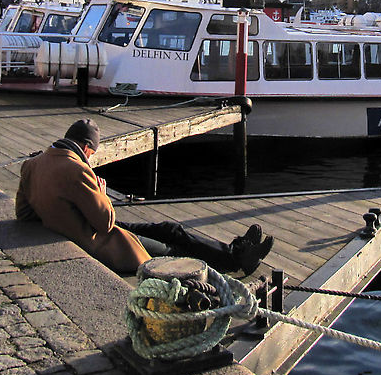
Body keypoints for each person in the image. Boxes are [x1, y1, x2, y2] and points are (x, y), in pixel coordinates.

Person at [15, 118, 273, 275]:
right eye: (92, 152)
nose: (91, 158)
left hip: (80, 227)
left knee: (169, 228)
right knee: (172, 245)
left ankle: (235, 251)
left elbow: (24, 214)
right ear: (86, 148)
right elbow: (104, 222)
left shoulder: (33, 164)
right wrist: (101, 193)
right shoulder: (76, 170)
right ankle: (235, 259)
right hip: (101, 241)